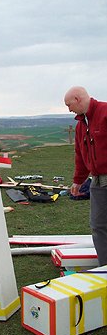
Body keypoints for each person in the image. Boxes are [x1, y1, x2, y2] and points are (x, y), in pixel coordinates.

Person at [64, 86, 107, 266]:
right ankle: (105, 269)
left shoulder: (105, 113)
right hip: (97, 182)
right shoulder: (81, 126)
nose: (69, 109)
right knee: (98, 226)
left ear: (78, 98)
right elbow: (80, 155)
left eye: (69, 104)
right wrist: (78, 181)